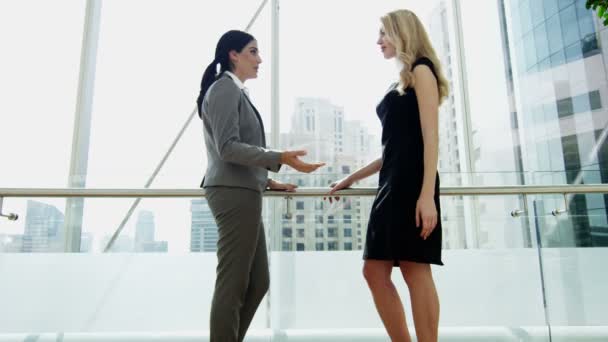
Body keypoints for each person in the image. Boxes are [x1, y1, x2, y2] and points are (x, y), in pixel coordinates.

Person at [327, 9, 449, 342]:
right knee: (374, 271)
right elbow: (393, 149)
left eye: (384, 33)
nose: (378, 40)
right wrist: (350, 179)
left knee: (414, 268)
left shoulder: (422, 69)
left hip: (412, 185)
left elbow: (430, 136)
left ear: (402, 32)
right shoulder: (401, 80)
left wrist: (426, 196)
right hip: (391, 184)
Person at [196, 30, 324, 342]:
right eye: (252, 52)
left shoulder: (234, 91)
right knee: (233, 284)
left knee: (257, 282)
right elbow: (227, 147)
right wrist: (279, 157)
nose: (259, 59)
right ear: (233, 55)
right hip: (232, 194)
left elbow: (234, 151)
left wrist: (265, 179)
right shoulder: (224, 89)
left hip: (244, 189)